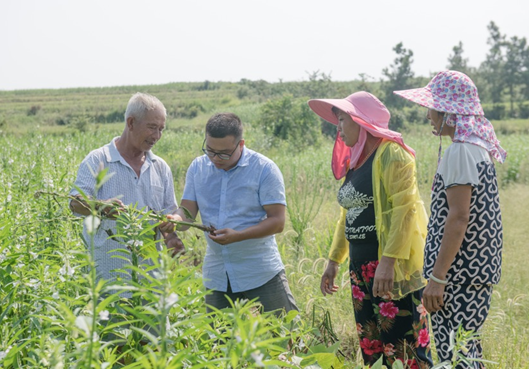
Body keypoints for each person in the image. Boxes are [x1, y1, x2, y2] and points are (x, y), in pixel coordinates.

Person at [308, 92, 433, 368]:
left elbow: (405, 211)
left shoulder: (392, 154)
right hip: (361, 268)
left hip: (391, 269)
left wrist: (387, 263)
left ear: (360, 121)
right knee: (373, 350)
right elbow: (348, 215)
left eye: (342, 120)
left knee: (406, 351)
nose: (337, 128)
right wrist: (333, 261)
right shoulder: (357, 159)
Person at [394, 70, 506, 368]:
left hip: (457, 277)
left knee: (453, 356)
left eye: (432, 108)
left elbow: (458, 218)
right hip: (471, 274)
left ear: (449, 112)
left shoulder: (460, 152)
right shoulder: (477, 150)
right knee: (466, 353)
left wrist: (438, 279)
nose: (428, 115)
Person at [171, 112, 298, 316]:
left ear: (241, 145)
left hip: (260, 270)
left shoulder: (264, 169)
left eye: (224, 153)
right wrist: (176, 219)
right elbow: (187, 214)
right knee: (219, 341)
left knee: (284, 335)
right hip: (218, 274)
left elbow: (277, 221)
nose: (215, 159)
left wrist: (238, 236)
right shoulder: (198, 168)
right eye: (210, 151)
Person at [69, 92, 184, 285]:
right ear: (131, 123)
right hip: (110, 275)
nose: (157, 136)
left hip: (151, 276)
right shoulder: (99, 160)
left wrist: (170, 233)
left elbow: (168, 212)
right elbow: (75, 203)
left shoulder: (160, 167)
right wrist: (101, 206)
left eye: (161, 129)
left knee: (154, 316)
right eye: (152, 128)